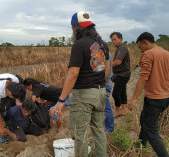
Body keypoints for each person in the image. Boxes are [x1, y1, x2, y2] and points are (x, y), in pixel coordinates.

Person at [53, 11, 110, 157]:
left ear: (75, 28)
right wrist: (96, 81)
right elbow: (107, 70)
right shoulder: (102, 44)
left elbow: (73, 74)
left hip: (84, 95)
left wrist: (61, 100)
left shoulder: (79, 45)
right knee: (98, 130)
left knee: (80, 134)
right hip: (100, 93)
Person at [128, 32, 169, 157]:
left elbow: (143, 78)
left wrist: (134, 98)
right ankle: (140, 147)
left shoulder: (148, 54)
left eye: (140, 47)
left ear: (145, 42)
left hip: (154, 100)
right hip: (165, 99)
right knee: (144, 120)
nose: (140, 50)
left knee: (151, 132)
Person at [110, 32, 131, 117]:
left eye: (115, 39)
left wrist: (108, 66)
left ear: (120, 39)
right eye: (112, 40)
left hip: (122, 75)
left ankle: (117, 111)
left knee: (115, 93)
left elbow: (118, 62)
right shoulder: (120, 48)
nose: (113, 41)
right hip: (123, 74)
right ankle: (124, 111)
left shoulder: (122, 48)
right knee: (122, 92)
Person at [104, 52, 114, 134]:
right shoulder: (107, 53)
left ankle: (109, 128)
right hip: (107, 83)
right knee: (105, 106)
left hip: (104, 84)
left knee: (106, 107)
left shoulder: (102, 53)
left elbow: (106, 70)